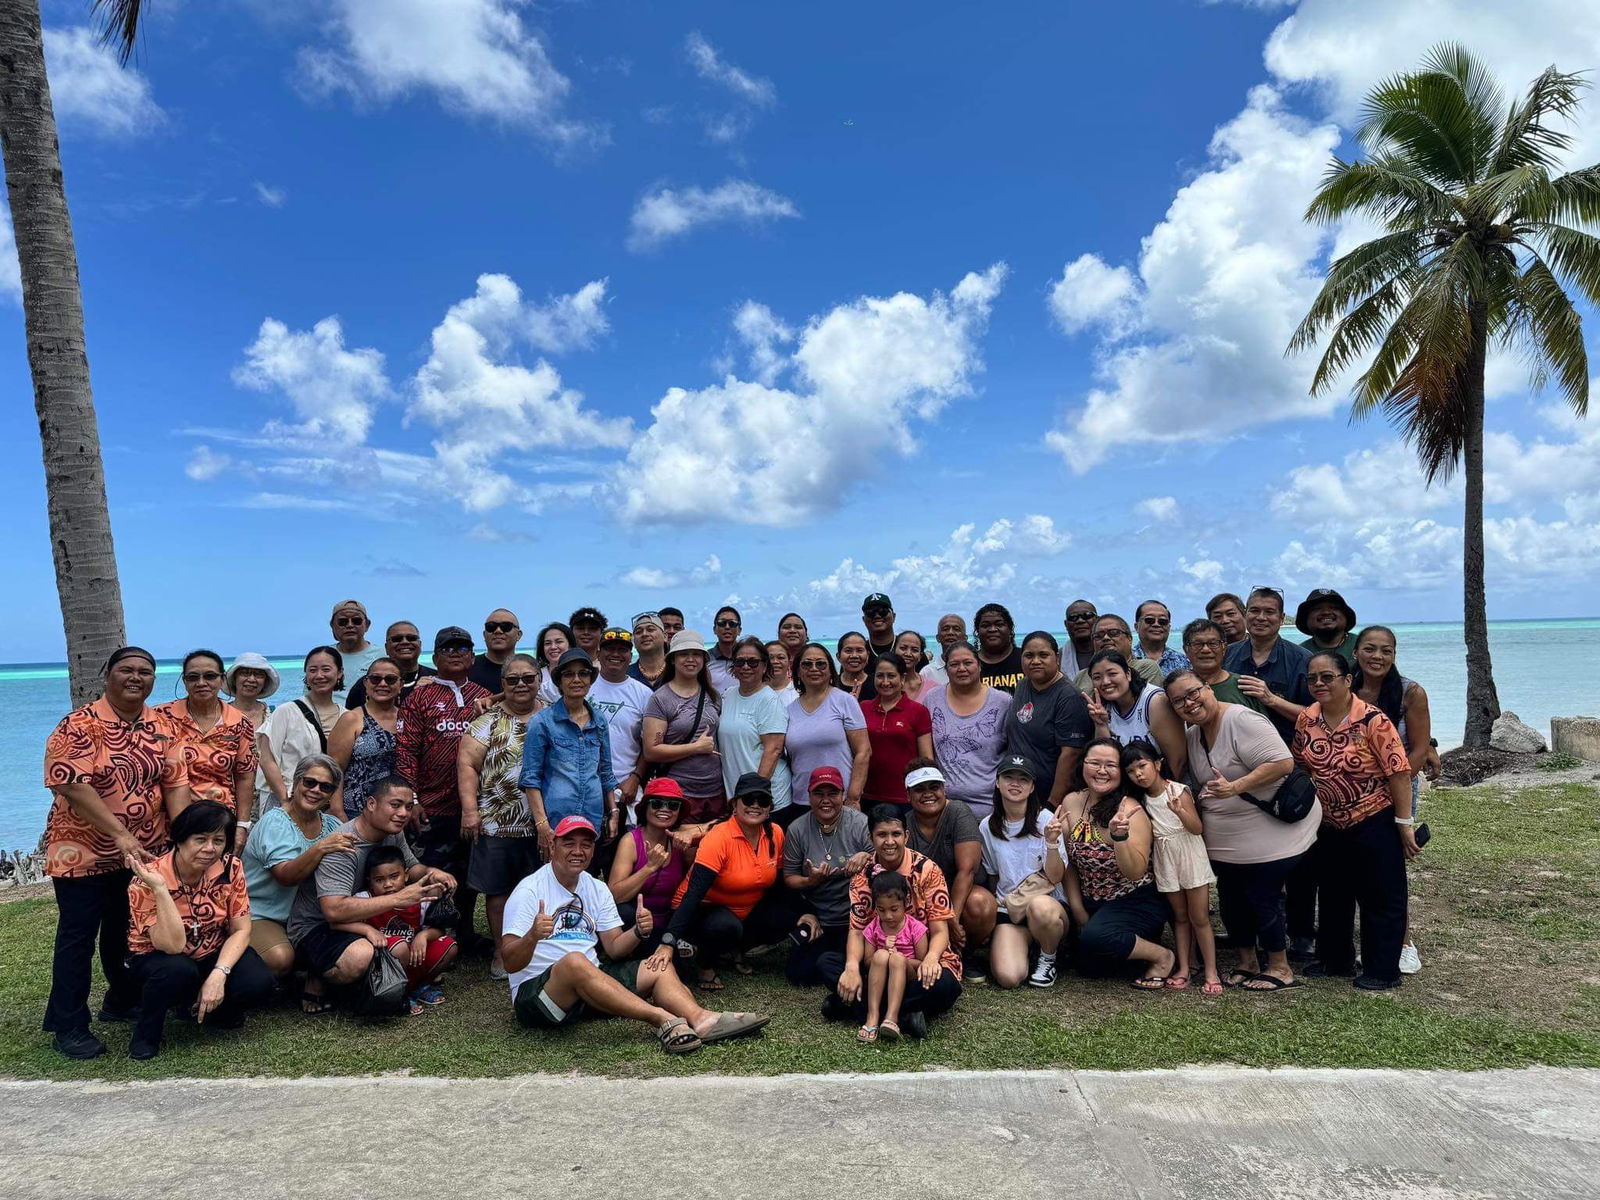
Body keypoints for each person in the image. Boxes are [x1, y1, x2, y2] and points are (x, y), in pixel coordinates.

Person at [501, 815, 767, 1053]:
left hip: (589, 990)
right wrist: (532, 937)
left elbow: (615, 948)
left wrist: (639, 931)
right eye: (569, 843)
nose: (578, 851)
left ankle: (701, 1019)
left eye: (586, 844)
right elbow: (510, 962)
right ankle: (661, 1018)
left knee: (658, 965)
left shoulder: (596, 888)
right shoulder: (529, 891)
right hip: (538, 997)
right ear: (552, 847)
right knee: (573, 961)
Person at [41, 646, 192, 1060]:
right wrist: (119, 833)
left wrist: (182, 836)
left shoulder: (163, 726)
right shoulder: (79, 724)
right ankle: (69, 1024)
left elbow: (175, 784)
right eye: (127, 669)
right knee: (78, 936)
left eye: (145, 671)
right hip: (81, 851)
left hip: (143, 852)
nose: (136, 677)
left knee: (126, 931)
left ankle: (121, 1001)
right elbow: (69, 783)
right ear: (108, 674)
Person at [1165, 669, 1313, 992]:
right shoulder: (1193, 735)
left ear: (1208, 688)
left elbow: (1282, 763)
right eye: (1179, 701)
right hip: (1226, 834)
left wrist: (1235, 787)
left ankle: (1280, 966)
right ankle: (1247, 961)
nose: (1189, 703)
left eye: (1193, 693)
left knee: (1262, 893)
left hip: (1268, 826)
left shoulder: (1241, 720)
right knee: (1231, 896)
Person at [1294, 652, 1420, 991]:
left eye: (1327, 677)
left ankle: (1383, 969)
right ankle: (1336, 960)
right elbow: (1304, 766)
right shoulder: (1307, 719)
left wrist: (1403, 823)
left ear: (1347, 680)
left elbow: (1399, 772)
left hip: (1374, 817)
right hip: (1329, 822)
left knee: (1381, 896)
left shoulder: (1373, 721)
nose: (1319, 684)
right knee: (1334, 894)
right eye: (1312, 679)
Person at [123, 801, 274, 1059]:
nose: (209, 849)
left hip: (210, 950)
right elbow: (171, 946)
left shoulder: (230, 868)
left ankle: (214, 1011)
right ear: (180, 840)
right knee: (177, 969)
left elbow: (241, 929)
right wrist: (161, 890)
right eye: (200, 839)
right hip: (158, 958)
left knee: (259, 980)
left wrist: (219, 974)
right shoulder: (147, 879)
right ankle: (148, 1033)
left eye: (217, 840)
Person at [285, 776, 456, 998]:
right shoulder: (343, 844)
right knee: (360, 956)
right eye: (395, 805)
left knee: (435, 888)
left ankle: (403, 975)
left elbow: (412, 868)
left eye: (408, 807)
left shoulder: (392, 832)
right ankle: (320, 975)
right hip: (319, 926)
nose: (404, 813)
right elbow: (334, 910)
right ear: (371, 804)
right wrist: (398, 899)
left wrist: (433, 874)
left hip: (365, 915)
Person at [1045, 739, 1173, 985]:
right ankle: (1117, 947)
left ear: (1121, 772)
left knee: (1096, 939)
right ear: (1083, 765)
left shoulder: (1130, 809)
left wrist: (1119, 837)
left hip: (1135, 899)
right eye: (1094, 763)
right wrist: (1079, 911)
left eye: (1110, 765)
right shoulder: (1072, 801)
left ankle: (1162, 956)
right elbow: (1071, 865)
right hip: (1092, 900)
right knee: (1086, 966)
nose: (1101, 771)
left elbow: (1135, 872)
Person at [396, 627, 491, 951]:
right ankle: (433, 938)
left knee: (467, 878)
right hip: (431, 806)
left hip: (474, 807)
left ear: (472, 655)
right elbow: (406, 749)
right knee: (432, 875)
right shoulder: (419, 697)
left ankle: (463, 934)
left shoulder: (483, 696)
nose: (455, 653)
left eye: (462, 647)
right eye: (447, 648)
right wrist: (413, 798)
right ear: (435, 657)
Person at [658, 773, 798, 989]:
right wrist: (668, 941)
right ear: (735, 804)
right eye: (748, 799)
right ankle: (705, 965)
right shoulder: (719, 837)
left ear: (770, 807)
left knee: (787, 915)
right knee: (725, 926)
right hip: (702, 909)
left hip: (743, 909)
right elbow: (694, 893)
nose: (755, 805)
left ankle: (736, 949)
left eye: (762, 800)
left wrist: (803, 913)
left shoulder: (775, 834)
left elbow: (779, 885)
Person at [833, 807, 963, 1038]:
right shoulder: (862, 876)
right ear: (870, 838)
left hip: (918, 960)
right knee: (829, 964)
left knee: (946, 986)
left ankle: (858, 1007)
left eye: (896, 834)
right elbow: (856, 930)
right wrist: (852, 968)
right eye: (882, 835)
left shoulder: (928, 870)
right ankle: (906, 1015)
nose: (889, 842)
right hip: (876, 960)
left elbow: (940, 929)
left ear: (906, 836)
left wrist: (931, 959)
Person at [1353, 624, 1439, 975]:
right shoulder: (1345, 688)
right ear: (1356, 652)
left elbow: (1419, 749)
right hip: (1351, 793)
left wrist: (1394, 783)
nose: (1378, 657)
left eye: (1386, 650)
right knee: (1356, 866)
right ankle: (1363, 940)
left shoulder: (1409, 692)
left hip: (1396, 789)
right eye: (1370, 649)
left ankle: (1403, 942)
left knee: (1390, 868)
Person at [241, 754, 352, 1010]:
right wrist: (321, 848)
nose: (316, 791)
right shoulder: (275, 822)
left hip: (304, 918)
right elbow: (286, 876)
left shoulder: (333, 824)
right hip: (261, 914)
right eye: (310, 782)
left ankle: (312, 975)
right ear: (296, 782)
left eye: (326, 787)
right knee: (281, 959)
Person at [460, 653, 542, 981]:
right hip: (497, 820)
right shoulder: (487, 720)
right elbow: (466, 764)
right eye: (512, 680)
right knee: (498, 892)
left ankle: (540, 949)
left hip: (543, 822)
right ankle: (501, 949)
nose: (521, 684)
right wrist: (469, 810)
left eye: (528, 678)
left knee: (540, 888)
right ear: (502, 684)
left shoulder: (553, 714)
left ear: (539, 679)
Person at [1121, 739, 1218, 994]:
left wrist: (1180, 812)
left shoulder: (1177, 790)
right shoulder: (1139, 800)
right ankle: (1184, 968)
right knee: (1180, 917)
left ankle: (1211, 972)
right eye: (1131, 771)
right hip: (1165, 860)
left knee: (1200, 918)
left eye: (1142, 766)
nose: (1138, 774)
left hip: (1189, 856)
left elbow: (1197, 829)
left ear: (1157, 763)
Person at [522, 648, 622, 854]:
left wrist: (613, 811)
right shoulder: (541, 722)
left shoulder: (599, 720)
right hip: (555, 822)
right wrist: (542, 824)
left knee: (586, 879)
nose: (577, 679)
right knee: (555, 881)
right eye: (569, 674)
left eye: (583, 673)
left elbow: (605, 771)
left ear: (591, 679)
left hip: (592, 819)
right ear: (559, 680)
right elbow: (531, 778)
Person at [980, 755, 1066, 989]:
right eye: (1008, 777)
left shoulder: (1046, 819)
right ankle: (1028, 947)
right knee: (1009, 977)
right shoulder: (987, 825)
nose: (1015, 784)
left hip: (1047, 907)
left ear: (1032, 787)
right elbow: (993, 874)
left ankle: (1048, 957)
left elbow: (1057, 877)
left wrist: (1050, 842)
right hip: (1010, 908)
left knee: (1040, 907)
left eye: (1023, 779)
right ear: (997, 782)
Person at [781, 767, 872, 988]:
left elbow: (885, 862)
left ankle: (852, 964)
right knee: (799, 974)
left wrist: (868, 856)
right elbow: (789, 877)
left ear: (842, 794)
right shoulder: (797, 829)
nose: (826, 800)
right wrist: (810, 881)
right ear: (809, 796)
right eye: (818, 793)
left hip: (855, 918)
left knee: (860, 963)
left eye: (832, 793)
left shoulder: (860, 823)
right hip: (820, 916)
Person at [155, 650, 258, 845]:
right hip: (168, 826)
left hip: (220, 824)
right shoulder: (161, 717)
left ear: (222, 679)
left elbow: (245, 775)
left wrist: (243, 825)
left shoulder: (239, 722)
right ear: (184, 681)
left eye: (210, 676)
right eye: (193, 677)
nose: (201, 682)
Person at [902, 759, 992, 976]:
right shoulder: (905, 825)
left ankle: (965, 953)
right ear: (908, 795)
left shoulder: (958, 811)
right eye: (919, 789)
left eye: (934, 787)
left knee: (981, 904)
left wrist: (952, 919)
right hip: (924, 895)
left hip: (961, 891)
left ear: (944, 789)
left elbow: (967, 870)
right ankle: (932, 954)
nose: (928, 794)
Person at [360, 846, 458, 1014]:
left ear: (406, 875)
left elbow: (439, 930)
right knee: (399, 946)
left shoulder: (420, 898)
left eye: (394, 877)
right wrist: (368, 931)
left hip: (414, 956)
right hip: (385, 963)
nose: (388, 884)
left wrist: (424, 935)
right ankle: (398, 995)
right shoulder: (364, 899)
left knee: (449, 946)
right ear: (369, 880)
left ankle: (418, 987)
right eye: (379, 880)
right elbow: (341, 921)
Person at [641, 630, 725, 824]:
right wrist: (695, 748)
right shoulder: (660, 699)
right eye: (683, 654)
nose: (690, 659)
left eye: (696, 654)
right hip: (679, 793)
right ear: (672, 660)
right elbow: (651, 751)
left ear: (704, 659)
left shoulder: (713, 696)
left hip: (716, 790)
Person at [1005, 631, 1093, 809]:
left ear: (1057, 657)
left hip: (1047, 795)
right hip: (1017, 790)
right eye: (1029, 655)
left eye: (1043, 655)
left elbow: (1071, 755)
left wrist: (1052, 804)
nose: (1035, 661)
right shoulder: (1023, 684)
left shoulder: (1068, 696)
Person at [923, 641, 1012, 817]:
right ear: (946, 669)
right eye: (954, 664)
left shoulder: (1003, 701)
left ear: (979, 666)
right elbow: (927, 752)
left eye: (968, 663)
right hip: (944, 806)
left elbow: (1012, 751)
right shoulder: (932, 698)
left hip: (991, 806)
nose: (961, 668)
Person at [608, 778, 694, 944]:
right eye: (656, 803)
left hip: (671, 920)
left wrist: (694, 834)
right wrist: (649, 867)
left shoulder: (680, 838)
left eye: (673, 805)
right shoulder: (631, 841)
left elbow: (719, 826)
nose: (664, 809)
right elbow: (615, 897)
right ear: (645, 808)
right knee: (624, 912)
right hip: (637, 920)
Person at [785, 643, 870, 810]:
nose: (814, 668)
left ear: (831, 669)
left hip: (840, 798)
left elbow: (863, 751)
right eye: (807, 664)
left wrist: (853, 796)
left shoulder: (845, 701)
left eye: (821, 663)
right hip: (802, 799)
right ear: (798, 671)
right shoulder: (789, 710)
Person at [258, 646, 344, 809]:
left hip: (326, 802)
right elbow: (266, 759)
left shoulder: (346, 716)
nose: (319, 675)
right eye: (312, 670)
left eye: (326, 669)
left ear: (339, 672)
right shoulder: (287, 711)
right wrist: (285, 800)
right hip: (286, 799)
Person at [717, 637, 792, 821]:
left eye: (753, 662)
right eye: (740, 661)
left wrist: (755, 795)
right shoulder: (728, 695)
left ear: (765, 666)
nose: (746, 667)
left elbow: (773, 750)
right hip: (739, 798)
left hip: (765, 799)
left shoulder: (769, 700)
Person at [1223, 587, 1311, 744]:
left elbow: (1317, 716)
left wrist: (1271, 699)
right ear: (1245, 615)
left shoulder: (1302, 659)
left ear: (1282, 618)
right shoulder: (1226, 655)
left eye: (1269, 612)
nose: (1261, 618)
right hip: (1232, 746)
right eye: (1254, 611)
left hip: (1287, 749)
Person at [1084, 650, 1187, 779]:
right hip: (1129, 784)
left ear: (1128, 674)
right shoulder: (1104, 706)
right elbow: (1105, 758)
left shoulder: (1155, 701)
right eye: (1097, 677)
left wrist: (1161, 796)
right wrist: (1101, 725)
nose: (1105, 682)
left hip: (1165, 784)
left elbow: (1178, 761)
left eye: (1112, 674)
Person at [855, 871, 928, 1043]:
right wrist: (885, 953)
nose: (888, 916)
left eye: (894, 909)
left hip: (906, 976)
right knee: (879, 955)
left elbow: (922, 964)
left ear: (906, 903)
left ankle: (891, 1017)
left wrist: (898, 958)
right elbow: (867, 962)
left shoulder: (915, 928)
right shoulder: (873, 928)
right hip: (879, 977)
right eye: (882, 910)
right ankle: (872, 1017)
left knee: (896, 959)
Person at [590, 628, 656, 818]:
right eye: (609, 649)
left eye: (623, 650)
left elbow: (649, 745)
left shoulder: (644, 694)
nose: (616, 654)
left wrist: (635, 778)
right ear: (598, 653)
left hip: (625, 788)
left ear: (630, 654)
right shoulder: (583, 687)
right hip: (587, 786)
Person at [328, 657, 401, 818]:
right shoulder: (351, 719)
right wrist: (337, 811)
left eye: (390, 679)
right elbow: (335, 769)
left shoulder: (407, 718)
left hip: (397, 812)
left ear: (400, 685)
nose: (382, 684)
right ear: (366, 684)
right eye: (375, 679)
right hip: (355, 811)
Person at [860, 655, 933, 810]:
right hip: (867, 795)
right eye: (880, 676)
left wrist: (926, 793)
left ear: (902, 678)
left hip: (906, 797)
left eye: (891, 676)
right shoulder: (863, 708)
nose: (885, 682)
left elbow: (926, 757)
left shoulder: (918, 711)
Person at [344, 621, 435, 709]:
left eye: (411, 638)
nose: (405, 642)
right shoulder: (368, 683)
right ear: (386, 648)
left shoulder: (436, 679)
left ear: (420, 645)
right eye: (397, 639)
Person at [1180, 618, 1263, 712]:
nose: (1206, 650)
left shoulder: (1245, 686)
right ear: (1186, 649)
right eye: (1197, 644)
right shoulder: (1179, 689)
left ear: (1224, 648)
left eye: (1213, 643)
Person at [1072, 616, 1164, 693]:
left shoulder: (1146, 667)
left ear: (1129, 639)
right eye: (1098, 636)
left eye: (1114, 633)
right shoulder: (1082, 676)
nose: (1106, 638)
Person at [329, 600, 382, 705]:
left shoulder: (383, 655)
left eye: (356, 621)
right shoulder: (324, 656)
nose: (349, 625)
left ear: (367, 625)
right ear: (333, 626)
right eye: (342, 622)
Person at [1296, 588, 1361, 662]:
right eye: (1317, 608)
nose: (1326, 612)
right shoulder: (1298, 654)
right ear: (1306, 619)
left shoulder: (1364, 646)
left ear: (1346, 616)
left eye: (1334, 608)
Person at [469, 609, 523, 692]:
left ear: (518, 635)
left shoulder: (529, 669)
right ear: (484, 635)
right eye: (491, 626)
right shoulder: (468, 667)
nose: (498, 631)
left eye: (506, 626)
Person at [974, 602, 1024, 692]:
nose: (992, 629)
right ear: (978, 631)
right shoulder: (970, 663)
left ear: (1010, 629)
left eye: (999, 624)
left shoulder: (1025, 658)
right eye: (985, 626)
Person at [223, 652, 278, 732]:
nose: (252, 679)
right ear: (234, 679)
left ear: (265, 682)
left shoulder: (273, 715)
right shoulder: (219, 715)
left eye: (258, 674)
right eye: (245, 673)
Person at [1134, 600, 1191, 674]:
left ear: (1169, 627)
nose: (1156, 624)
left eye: (1162, 621)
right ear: (1136, 626)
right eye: (1149, 620)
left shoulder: (1184, 661)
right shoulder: (1126, 659)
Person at [920, 613, 968, 687]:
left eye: (956, 629)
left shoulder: (973, 668)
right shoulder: (927, 673)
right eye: (945, 629)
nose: (950, 632)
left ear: (965, 638)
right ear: (938, 638)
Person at [535, 622, 575, 705]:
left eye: (559, 642)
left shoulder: (581, 674)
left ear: (570, 645)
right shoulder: (535, 676)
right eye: (547, 643)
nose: (553, 647)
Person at [707, 605, 743, 693]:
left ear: (739, 630)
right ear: (714, 629)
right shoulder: (705, 658)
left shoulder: (747, 658)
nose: (727, 627)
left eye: (732, 623)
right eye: (722, 623)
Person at [894, 631, 935, 703]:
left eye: (914, 650)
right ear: (893, 651)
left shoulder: (932, 688)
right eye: (903, 648)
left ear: (920, 656)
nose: (908, 654)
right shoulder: (884, 684)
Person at [630, 611, 669, 687]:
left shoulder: (678, 673)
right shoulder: (624, 675)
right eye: (638, 632)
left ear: (665, 636)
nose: (644, 634)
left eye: (650, 629)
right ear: (633, 641)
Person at [1062, 600, 1098, 676]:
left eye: (1087, 615)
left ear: (1097, 620)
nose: (1080, 621)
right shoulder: (1057, 659)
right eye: (1073, 617)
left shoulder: (1114, 653)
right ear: (1066, 624)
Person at [835, 631, 874, 701]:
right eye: (848, 651)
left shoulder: (877, 684)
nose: (854, 656)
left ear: (868, 656)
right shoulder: (831, 685)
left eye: (859, 650)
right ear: (838, 657)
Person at [764, 640, 797, 705]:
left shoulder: (799, 692)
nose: (775, 661)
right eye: (770, 658)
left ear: (789, 663)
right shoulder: (754, 691)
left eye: (781, 657)